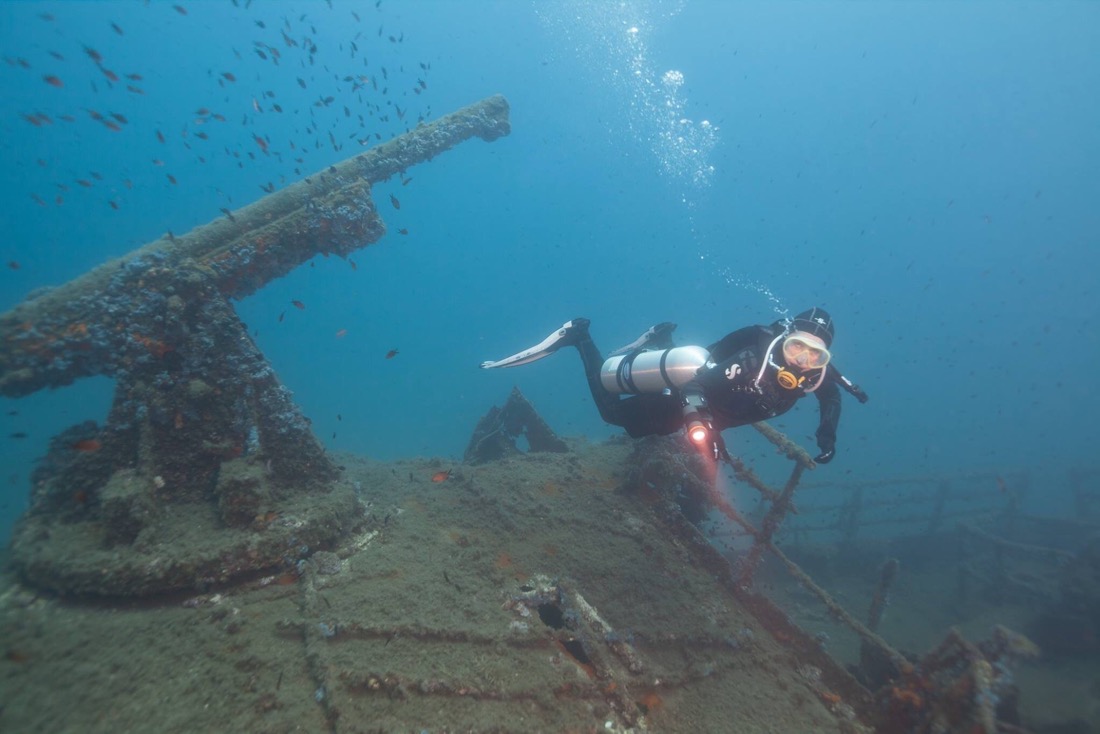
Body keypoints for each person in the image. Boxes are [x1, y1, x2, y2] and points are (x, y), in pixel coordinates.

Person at [480, 308, 868, 465]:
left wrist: (826, 436)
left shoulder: (816, 376)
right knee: (614, 413)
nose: (800, 362)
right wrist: (705, 425)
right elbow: (698, 384)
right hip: (693, 402)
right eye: (797, 348)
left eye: (814, 355)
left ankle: (660, 340)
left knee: (645, 431)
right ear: (785, 341)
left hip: (705, 413)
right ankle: (579, 337)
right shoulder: (752, 363)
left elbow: (831, 398)